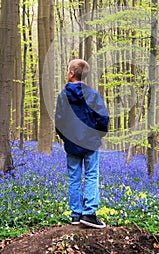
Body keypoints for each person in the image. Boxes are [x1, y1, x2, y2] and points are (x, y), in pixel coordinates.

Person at [55, 59, 109, 228]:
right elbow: (103, 118)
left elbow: (59, 121)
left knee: (74, 177)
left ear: (71, 73)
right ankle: (89, 214)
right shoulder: (92, 94)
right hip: (90, 142)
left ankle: (76, 215)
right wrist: (97, 135)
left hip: (72, 143)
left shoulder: (63, 96)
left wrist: (66, 138)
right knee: (92, 175)